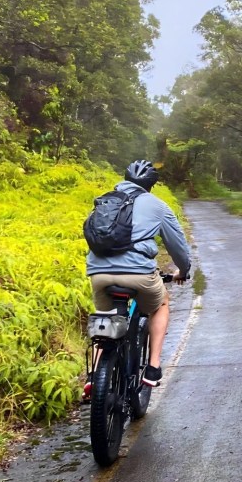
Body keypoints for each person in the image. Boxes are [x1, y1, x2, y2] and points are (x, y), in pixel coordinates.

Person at [86, 159, 192, 387]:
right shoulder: (157, 206)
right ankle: (153, 368)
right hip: (138, 274)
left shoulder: (104, 200)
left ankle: (94, 377)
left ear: (125, 179)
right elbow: (178, 247)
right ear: (151, 185)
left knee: (105, 319)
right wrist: (183, 270)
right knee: (161, 303)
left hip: (99, 273)